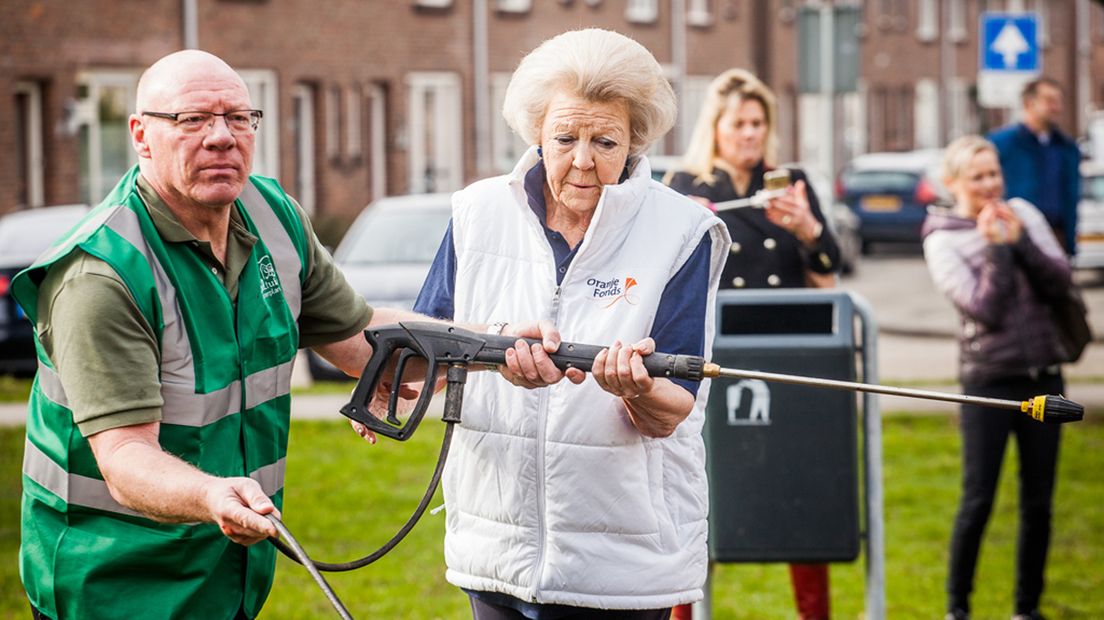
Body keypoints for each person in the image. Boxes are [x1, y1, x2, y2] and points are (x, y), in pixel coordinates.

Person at [11, 50, 560, 620]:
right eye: (193, 119)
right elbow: (125, 458)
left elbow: (359, 341)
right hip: (113, 584)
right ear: (141, 135)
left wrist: (492, 343)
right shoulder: (101, 276)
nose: (222, 137)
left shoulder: (270, 213)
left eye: (239, 117)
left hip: (229, 571)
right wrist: (211, 495)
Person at [413, 29, 730, 619]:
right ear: (538, 132)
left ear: (634, 140)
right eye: (565, 137)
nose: (582, 160)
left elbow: (675, 405)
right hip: (498, 549)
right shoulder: (477, 214)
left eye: (604, 140)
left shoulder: (681, 232)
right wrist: (423, 377)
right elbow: (427, 350)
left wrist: (635, 390)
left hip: (625, 565)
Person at [665, 68, 841, 620]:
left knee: (797, 488)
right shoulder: (686, 186)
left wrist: (808, 230)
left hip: (787, 355)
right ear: (715, 127)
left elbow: (830, 277)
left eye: (758, 123)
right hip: (716, 360)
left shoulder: (789, 182)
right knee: (695, 502)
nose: (749, 134)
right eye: (738, 123)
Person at [922, 135, 1072, 620]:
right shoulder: (941, 238)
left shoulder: (1023, 214)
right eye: (977, 177)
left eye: (994, 174)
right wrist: (997, 250)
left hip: (1044, 373)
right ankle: (957, 608)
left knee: (1039, 502)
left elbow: (1061, 280)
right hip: (989, 380)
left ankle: (1026, 609)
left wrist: (1020, 240)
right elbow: (983, 309)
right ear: (954, 183)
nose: (990, 185)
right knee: (978, 497)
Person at [988, 77, 1081, 256]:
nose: (1056, 107)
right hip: (1016, 235)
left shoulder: (1067, 148)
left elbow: (1071, 196)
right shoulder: (1001, 144)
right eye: (1049, 101)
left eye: (1059, 101)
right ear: (1028, 103)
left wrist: (1069, 239)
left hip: (1056, 235)